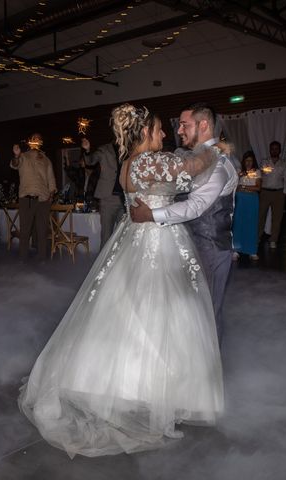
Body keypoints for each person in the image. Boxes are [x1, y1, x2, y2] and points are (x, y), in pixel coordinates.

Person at [19, 104, 223, 458]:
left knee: (128, 310)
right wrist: (215, 148)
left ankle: (118, 383)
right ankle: (153, 391)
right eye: (160, 129)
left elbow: (177, 171)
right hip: (157, 243)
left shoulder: (130, 163)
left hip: (135, 238)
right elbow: (194, 167)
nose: (165, 134)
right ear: (145, 132)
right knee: (159, 313)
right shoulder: (147, 162)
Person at [130, 102, 238, 344]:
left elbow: (196, 206)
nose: (178, 130)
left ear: (203, 125)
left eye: (184, 125)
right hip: (187, 246)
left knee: (207, 313)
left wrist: (152, 215)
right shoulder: (196, 159)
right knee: (190, 312)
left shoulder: (218, 164)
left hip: (210, 248)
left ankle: (209, 375)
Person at [10, 134, 57, 261]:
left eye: (39, 138)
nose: (36, 140)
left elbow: (51, 179)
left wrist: (51, 195)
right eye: (34, 138)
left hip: (43, 200)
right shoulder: (23, 156)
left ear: (41, 142)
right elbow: (15, 164)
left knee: (42, 232)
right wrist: (16, 155)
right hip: (27, 199)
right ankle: (23, 259)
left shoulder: (46, 159)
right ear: (30, 141)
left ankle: (42, 259)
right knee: (25, 231)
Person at [82, 139, 124, 247]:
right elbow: (90, 161)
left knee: (123, 235)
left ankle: (117, 262)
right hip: (108, 198)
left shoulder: (128, 149)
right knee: (106, 235)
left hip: (125, 199)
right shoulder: (104, 149)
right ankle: (104, 263)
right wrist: (87, 151)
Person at [258, 140, 286, 249]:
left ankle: (273, 239)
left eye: (276, 148)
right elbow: (264, 171)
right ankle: (258, 237)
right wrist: (269, 168)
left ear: (280, 150)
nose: (274, 150)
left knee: (277, 218)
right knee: (261, 215)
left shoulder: (284, 164)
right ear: (270, 150)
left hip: (279, 193)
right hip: (265, 192)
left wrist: (285, 192)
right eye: (272, 148)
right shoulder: (264, 161)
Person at [232, 150, 261, 260]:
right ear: (243, 161)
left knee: (251, 223)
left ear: (253, 161)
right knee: (238, 224)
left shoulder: (257, 172)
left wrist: (243, 187)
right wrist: (240, 184)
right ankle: (236, 250)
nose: (248, 163)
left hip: (252, 199)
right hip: (240, 199)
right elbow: (234, 185)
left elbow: (258, 188)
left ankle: (252, 251)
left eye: (250, 161)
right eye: (246, 161)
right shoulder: (239, 172)